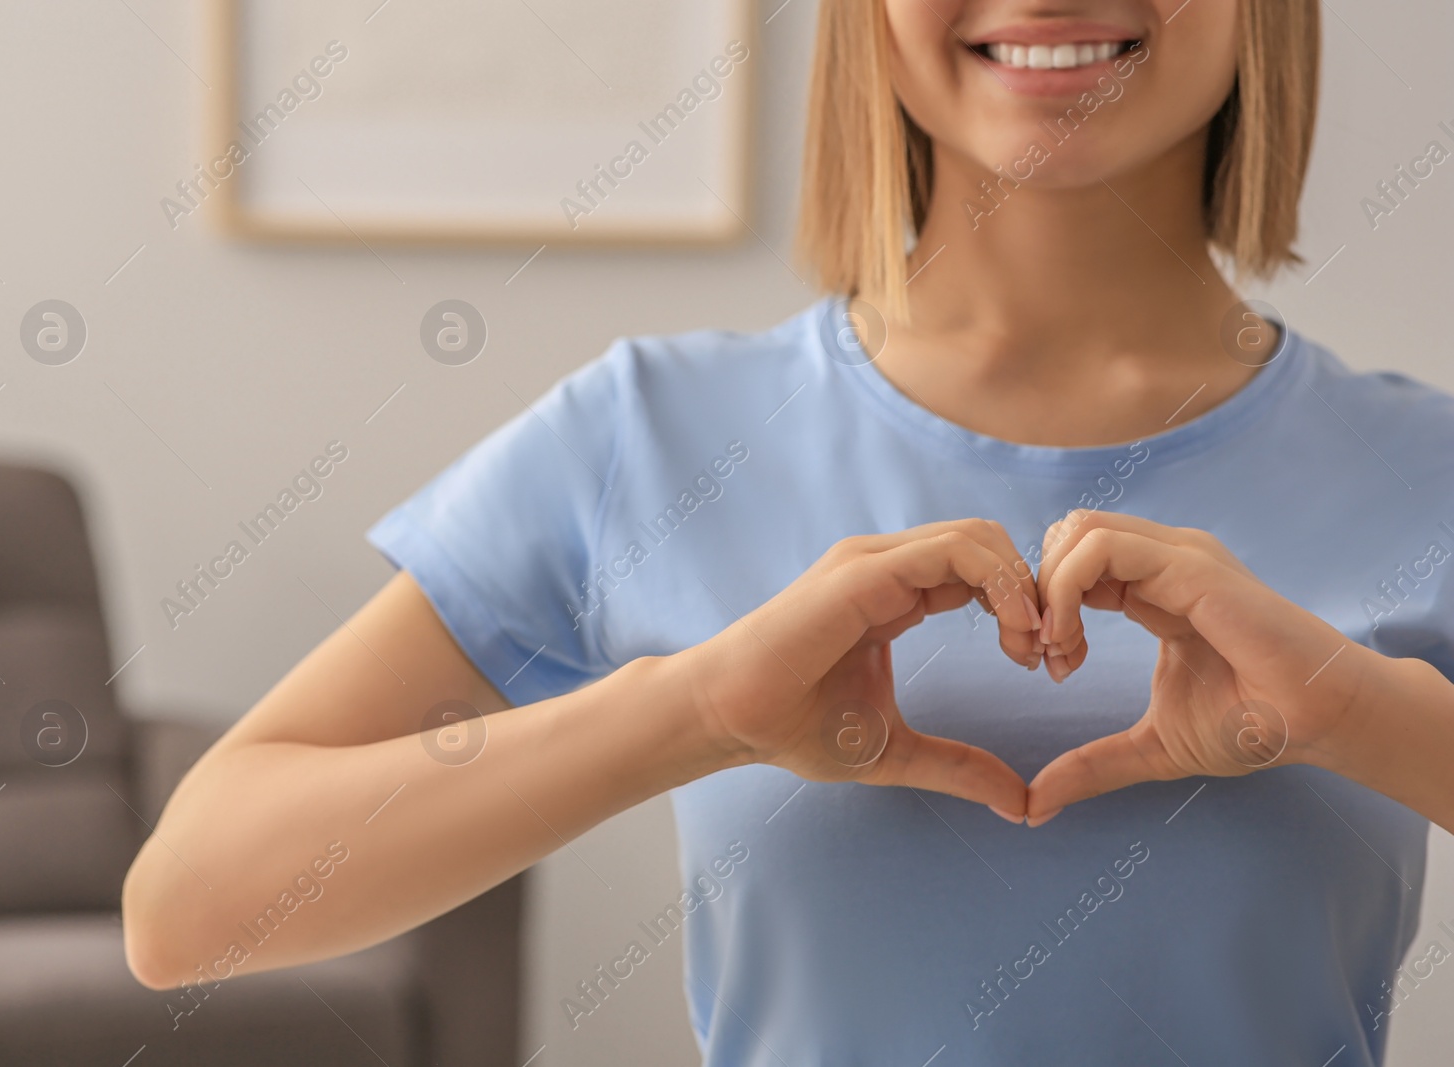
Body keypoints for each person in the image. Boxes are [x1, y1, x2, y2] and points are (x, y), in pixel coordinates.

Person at [123, 0, 1454, 1062]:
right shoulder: (649, 433)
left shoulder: (1426, 470)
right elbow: (188, 908)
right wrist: (698, 709)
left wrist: (1356, 710)